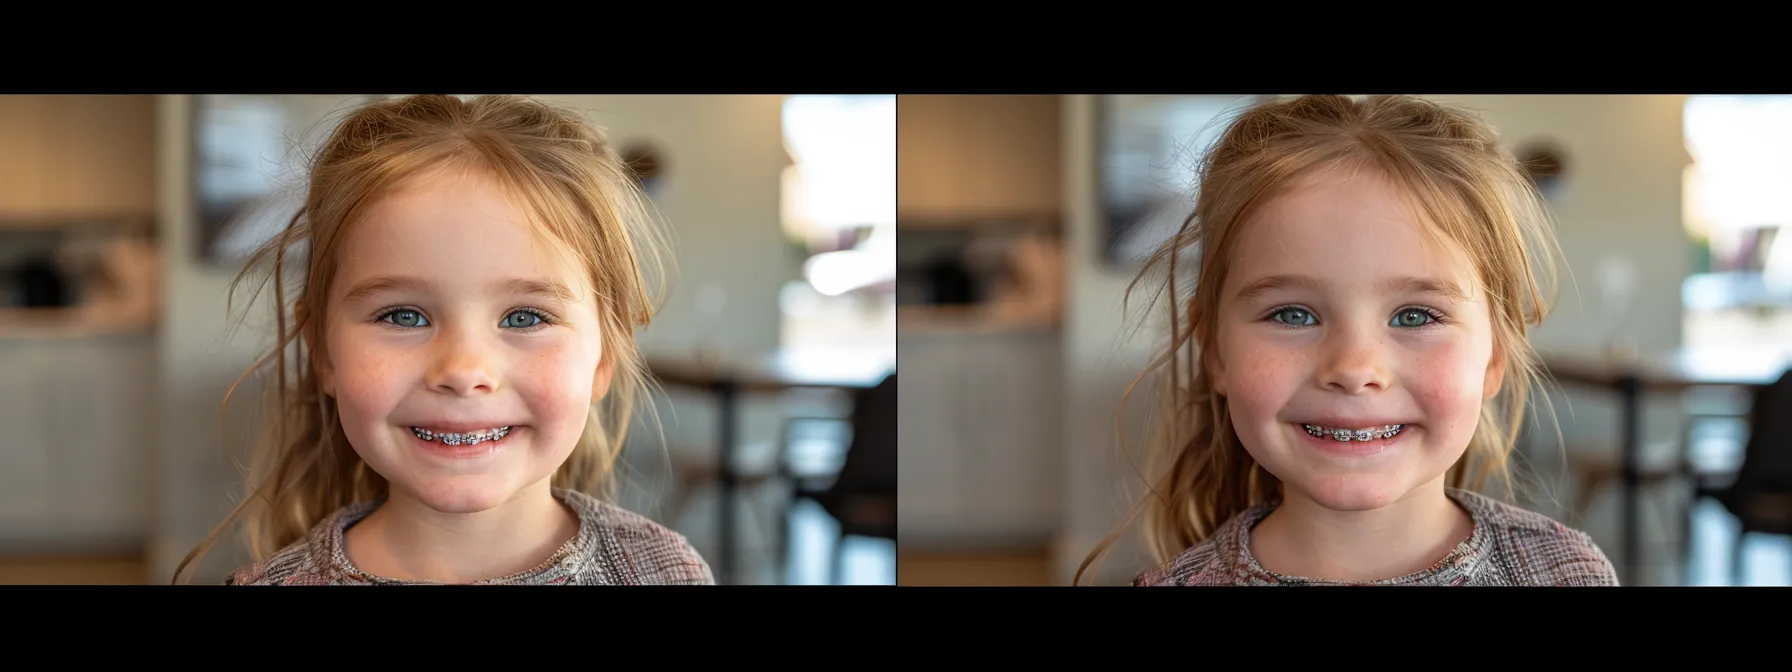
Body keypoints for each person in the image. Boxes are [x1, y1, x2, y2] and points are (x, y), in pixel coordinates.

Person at [1078, 94, 1618, 586]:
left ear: (1494, 355)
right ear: (1214, 351)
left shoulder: (1563, 573)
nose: (1354, 366)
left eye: (1415, 316)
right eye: (1292, 314)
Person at [175, 94, 713, 585]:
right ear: (322, 349)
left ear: (605, 356)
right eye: (404, 316)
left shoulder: (663, 573)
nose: (462, 368)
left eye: (525, 317)